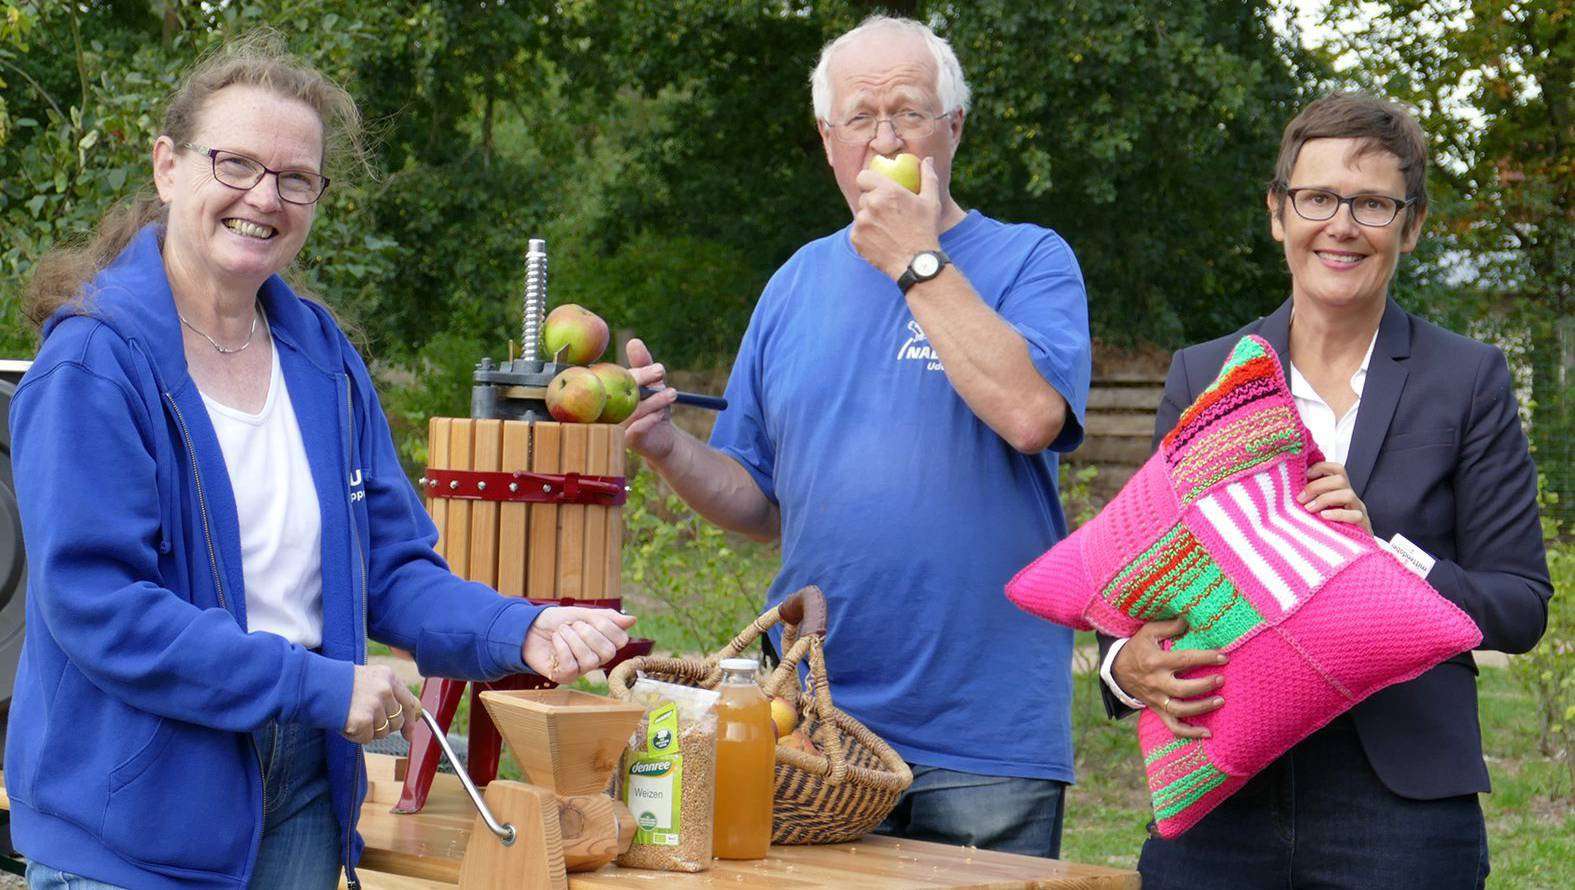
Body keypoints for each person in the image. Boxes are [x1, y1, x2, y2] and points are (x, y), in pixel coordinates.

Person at [9, 33, 635, 890]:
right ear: (167, 167)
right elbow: (99, 608)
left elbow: (390, 569)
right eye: (235, 164)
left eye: (295, 178)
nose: (263, 198)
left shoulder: (320, 358)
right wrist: (307, 682)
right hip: (139, 807)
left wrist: (518, 627)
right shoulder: (94, 363)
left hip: (304, 787)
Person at [623, 15, 1091, 859]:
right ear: (826, 137)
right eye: (860, 118)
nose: (884, 139)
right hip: (812, 730)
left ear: (954, 126)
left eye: (908, 113)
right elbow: (758, 501)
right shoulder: (793, 284)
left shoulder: (1029, 260)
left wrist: (916, 259)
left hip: (983, 736)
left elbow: (1030, 417)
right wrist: (665, 446)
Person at [1099, 92, 1552, 888]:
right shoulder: (1202, 375)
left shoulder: (1467, 380)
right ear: (1278, 213)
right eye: (1316, 198)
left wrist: (1382, 555)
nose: (1340, 225)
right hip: (1219, 794)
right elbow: (1134, 581)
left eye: (1372, 203)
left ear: (1409, 226)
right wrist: (1121, 667)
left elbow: (1518, 606)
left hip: (1401, 809)